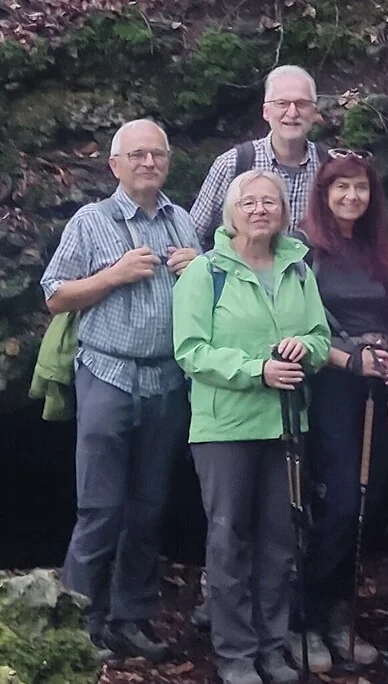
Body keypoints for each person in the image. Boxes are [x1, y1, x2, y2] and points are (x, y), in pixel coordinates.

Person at [41, 119, 199, 663]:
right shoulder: (91, 221)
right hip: (107, 374)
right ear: (114, 165)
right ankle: (74, 624)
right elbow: (55, 295)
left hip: (167, 379)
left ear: (169, 162)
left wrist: (200, 269)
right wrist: (113, 274)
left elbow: (211, 300)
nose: (148, 163)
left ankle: (130, 618)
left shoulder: (182, 222)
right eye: (137, 155)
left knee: (149, 508)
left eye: (157, 154)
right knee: (100, 507)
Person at [173, 169, 332, 684]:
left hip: (286, 424)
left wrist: (302, 350)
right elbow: (190, 352)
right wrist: (256, 370)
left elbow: (320, 337)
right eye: (250, 202)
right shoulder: (206, 271)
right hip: (225, 429)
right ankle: (236, 654)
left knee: (280, 541)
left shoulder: (298, 269)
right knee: (228, 540)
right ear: (231, 211)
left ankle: (271, 645)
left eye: (270, 202)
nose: (261, 210)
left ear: (284, 211)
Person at [285, 150, 388, 671]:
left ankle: (338, 615)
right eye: (341, 188)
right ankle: (303, 620)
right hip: (331, 385)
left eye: (360, 187)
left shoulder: (377, 250)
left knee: (369, 498)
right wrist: (351, 361)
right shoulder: (306, 250)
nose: (352, 197)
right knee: (335, 502)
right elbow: (299, 322)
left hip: (377, 387)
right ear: (324, 194)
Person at [191, 65, 328, 249]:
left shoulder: (328, 168)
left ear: (314, 112)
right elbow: (192, 236)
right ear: (266, 112)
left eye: (302, 104)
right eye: (282, 103)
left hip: (308, 277)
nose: (293, 112)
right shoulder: (234, 164)